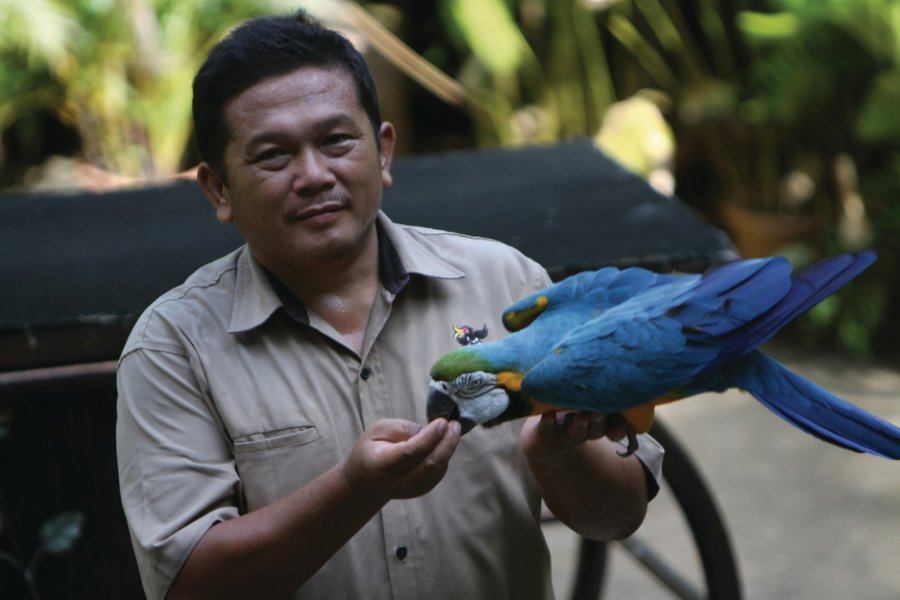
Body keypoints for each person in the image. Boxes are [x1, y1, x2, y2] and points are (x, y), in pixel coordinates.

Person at [116, 11, 664, 600]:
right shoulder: (172, 347)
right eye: (273, 155)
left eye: (336, 141)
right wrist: (353, 490)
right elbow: (189, 586)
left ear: (382, 152)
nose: (313, 175)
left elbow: (618, 516)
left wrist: (561, 458)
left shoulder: (508, 284)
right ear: (218, 189)